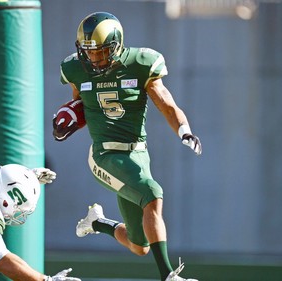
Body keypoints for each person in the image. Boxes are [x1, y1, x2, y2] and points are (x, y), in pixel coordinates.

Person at [54, 12, 202, 281]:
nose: (94, 58)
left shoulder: (140, 63)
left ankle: (97, 222)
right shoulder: (76, 69)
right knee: (152, 193)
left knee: (140, 246)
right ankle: (169, 276)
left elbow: (166, 104)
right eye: (89, 52)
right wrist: (67, 124)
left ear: (116, 45)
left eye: (101, 52)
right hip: (104, 154)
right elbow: (81, 106)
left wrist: (184, 130)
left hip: (137, 154)